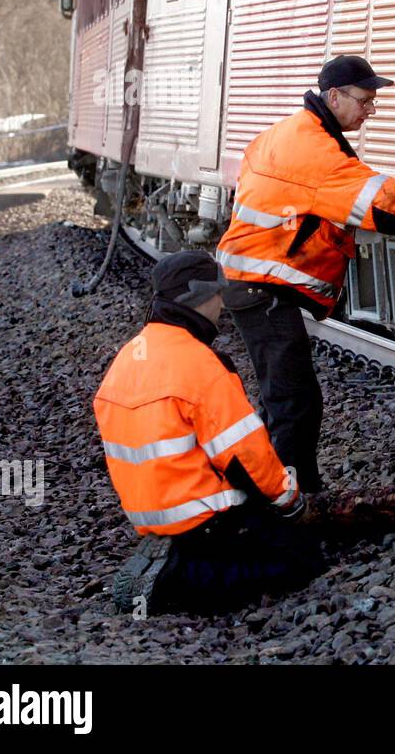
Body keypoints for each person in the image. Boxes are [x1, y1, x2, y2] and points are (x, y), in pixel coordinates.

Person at [216, 55, 395, 493]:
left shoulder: (290, 132)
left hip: (252, 284)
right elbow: (384, 203)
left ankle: (280, 491)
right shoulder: (315, 150)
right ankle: (288, 505)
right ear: (334, 97)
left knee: (287, 399)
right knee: (293, 402)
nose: (371, 110)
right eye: (366, 100)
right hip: (262, 290)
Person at [94, 251, 321, 614]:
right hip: (205, 517)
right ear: (201, 298)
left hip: (149, 516)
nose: (223, 305)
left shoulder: (126, 359)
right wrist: (289, 503)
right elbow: (244, 457)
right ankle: (176, 577)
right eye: (220, 295)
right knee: (300, 559)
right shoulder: (200, 365)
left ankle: (170, 551)